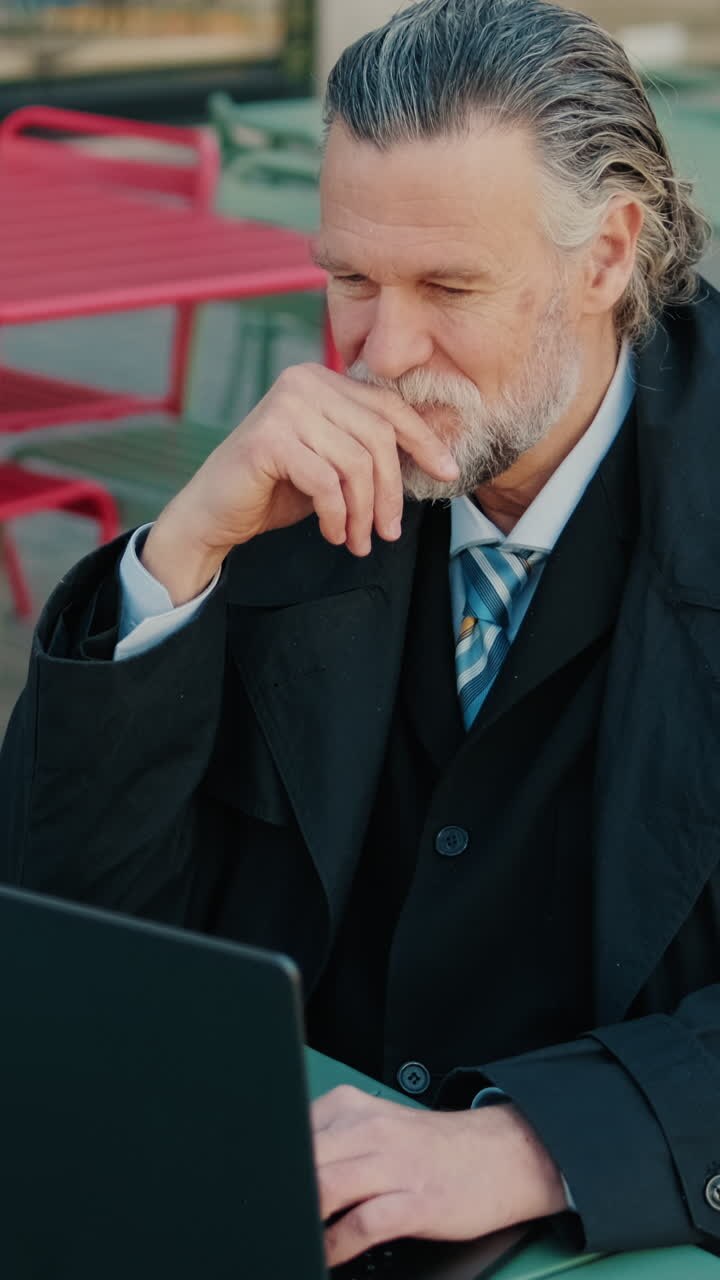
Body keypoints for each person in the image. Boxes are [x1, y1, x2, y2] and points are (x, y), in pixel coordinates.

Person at [2, 0, 720, 1267]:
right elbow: (67, 933)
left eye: (449, 286)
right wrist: (180, 560)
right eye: (349, 279)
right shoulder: (283, 477)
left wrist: (540, 1138)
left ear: (608, 254)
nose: (383, 353)